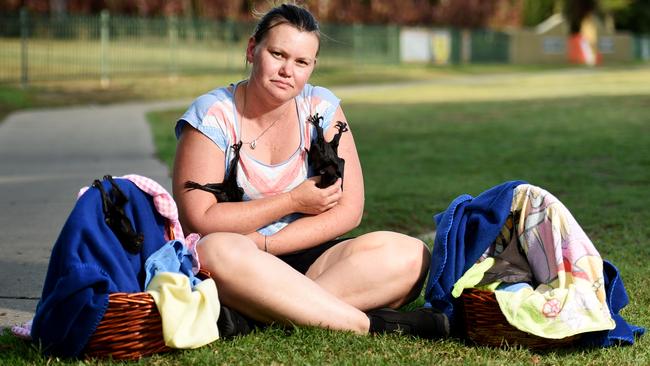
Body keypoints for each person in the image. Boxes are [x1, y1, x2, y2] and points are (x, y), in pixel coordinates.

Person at [172, 3, 449, 339]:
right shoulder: (212, 116)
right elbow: (200, 219)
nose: (287, 70)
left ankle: (254, 316)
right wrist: (291, 201)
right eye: (277, 54)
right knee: (213, 250)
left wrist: (270, 244)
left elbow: (350, 210)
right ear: (251, 50)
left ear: (312, 67)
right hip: (239, 259)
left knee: (411, 255)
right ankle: (372, 325)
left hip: (310, 256)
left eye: (301, 62)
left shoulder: (321, 108)